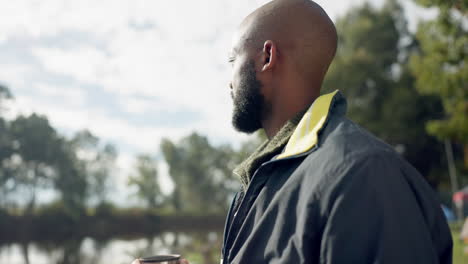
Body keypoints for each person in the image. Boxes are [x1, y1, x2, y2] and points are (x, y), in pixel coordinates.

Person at [133, 0, 453, 263]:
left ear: (267, 57)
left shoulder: (361, 175)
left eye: (233, 59)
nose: (229, 81)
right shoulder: (266, 179)